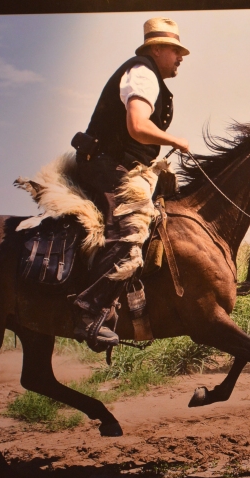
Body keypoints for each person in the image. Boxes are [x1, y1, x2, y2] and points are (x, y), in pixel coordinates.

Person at [71, 17, 191, 350]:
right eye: (175, 50)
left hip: (122, 165)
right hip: (104, 164)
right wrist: (175, 141)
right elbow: (137, 126)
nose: (181, 57)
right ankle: (88, 312)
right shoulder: (142, 73)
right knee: (133, 226)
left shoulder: (151, 76)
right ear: (156, 49)